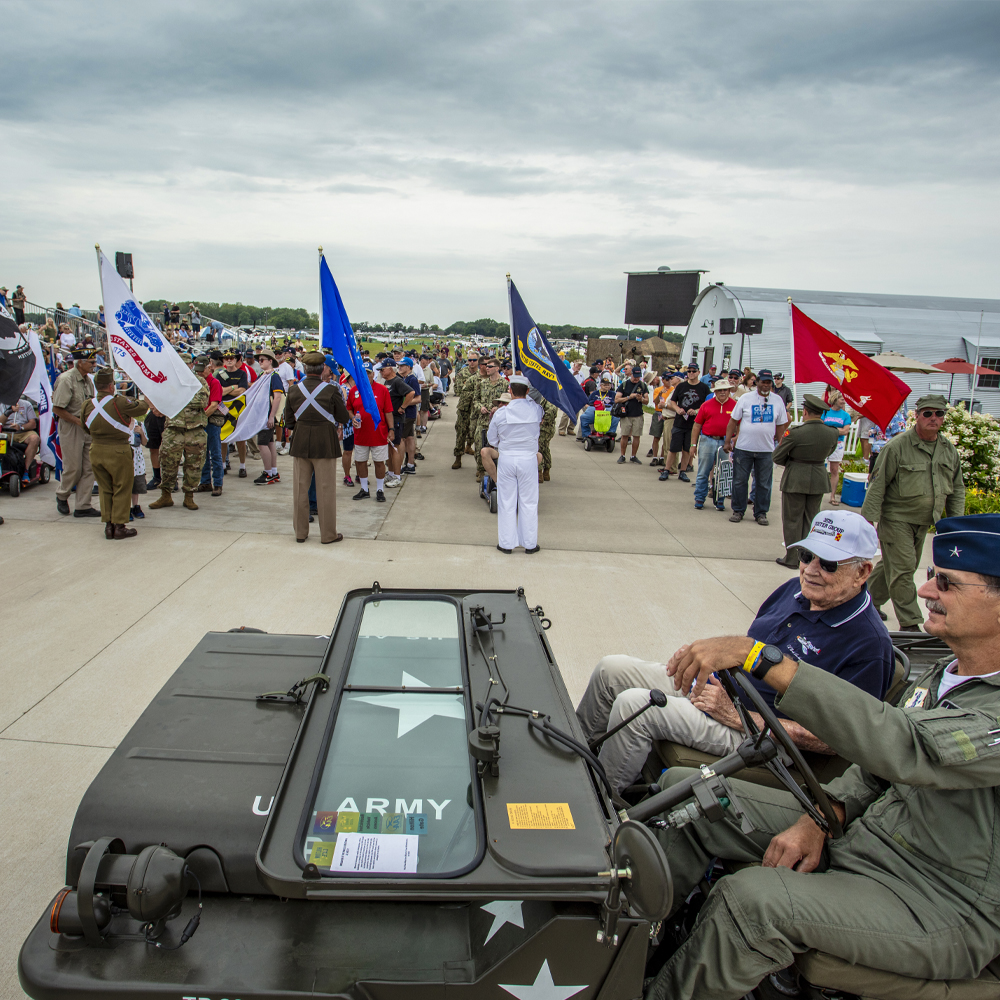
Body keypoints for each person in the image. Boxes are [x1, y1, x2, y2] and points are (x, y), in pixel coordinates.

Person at [648, 515, 1000, 1000]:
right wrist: (822, 815)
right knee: (687, 796)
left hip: (936, 899)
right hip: (869, 840)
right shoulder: (946, 674)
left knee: (750, 903)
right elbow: (874, 773)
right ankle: (624, 946)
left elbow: (905, 748)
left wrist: (761, 659)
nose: (924, 592)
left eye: (946, 582)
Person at [575, 510, 893, 793]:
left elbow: (838, 741)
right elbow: (752, 645)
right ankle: (573, 761)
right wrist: (701, 659)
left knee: (635, 706)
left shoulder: (868, 645)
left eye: (828, 563)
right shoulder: (795, 591)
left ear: (863, 572)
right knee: (610, 670)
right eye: (807, 556)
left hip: (760, 732)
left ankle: (602, 803)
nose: (811, 569)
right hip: (722, 690)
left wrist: (742, 717)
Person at [862, 394, 965, 631]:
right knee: (904, 570)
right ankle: (910, 624)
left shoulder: (948, 449)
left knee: (892, 568)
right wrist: (867, 520)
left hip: (925, 521)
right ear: (916, 416)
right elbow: (878, 484)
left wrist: (956, 524)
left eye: (939, 414)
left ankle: (864, 603)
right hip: (897, 519)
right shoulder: (897, 447)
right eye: (927, 413)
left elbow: (956, 488)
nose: (933, 418)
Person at [284, 351, 351, 543]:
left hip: (301, 442)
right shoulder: (331, 391)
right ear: (322, 369)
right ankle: (328, 534)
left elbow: (289, 421)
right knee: (326, 490)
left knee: (300, 489)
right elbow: (343, 418)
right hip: (325, 443)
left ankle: (300, 533)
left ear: (305, 369)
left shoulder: (294, 390)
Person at [772, 394, 841, 566]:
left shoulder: (796, 433)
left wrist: (793, 464)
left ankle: (792, 558)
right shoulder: (832, 433)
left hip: (795, 477)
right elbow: (829, 452)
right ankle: (807, 557)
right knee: (811, 520)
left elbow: (777, 456)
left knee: (792, 520)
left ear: (806, 412)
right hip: (818, 476)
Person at [81, 369, 149, 539]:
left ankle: (108, 525)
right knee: (121, 487)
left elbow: (84, 427)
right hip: (118, 450)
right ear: (111, 386)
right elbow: (142, 408)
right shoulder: (120, 402)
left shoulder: (87, 405)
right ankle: (119, 525)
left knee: (105, 488)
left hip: (96, 450)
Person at [724, 367, 788, 526]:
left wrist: (781, 445)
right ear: (756, 382)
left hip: (766, 450)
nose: (765, 385)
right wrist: (728, 441)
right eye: (763, 382)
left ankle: (761, 512)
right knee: (739, 481)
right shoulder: (746, 399)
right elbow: (733, 421)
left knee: (763, 483)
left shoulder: (778, 400)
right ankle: (738, 510)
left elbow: (781, 425)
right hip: (744, 448)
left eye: (768, 383)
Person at [487, 376, 543, 554]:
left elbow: (492, 439)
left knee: (507, 501)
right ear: (527, 391)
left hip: (507, 458)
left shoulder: (501, 413)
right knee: (529, 502)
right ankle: (529, 543)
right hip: (528, 459)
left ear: (509, 391)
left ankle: (506, 543)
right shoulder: (536, 410)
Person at [148, 357, 209, 511]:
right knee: (168, 463)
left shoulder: (199, 381)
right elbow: (159, 399)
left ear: (191, 365)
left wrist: (176, 398)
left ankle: (189, 496)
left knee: (194, 465)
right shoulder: (167, 381)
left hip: (194, 430)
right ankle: (166, 495)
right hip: (173, 429)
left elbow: (202, 401)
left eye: (186, 364)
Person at [51, 347, 99, 518]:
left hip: (87, 427)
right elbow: (57, 408)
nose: (95, 365)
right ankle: (62, 495)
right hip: (71, 427)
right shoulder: (66, 380)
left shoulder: (88, 380)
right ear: (81, 362)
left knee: (89, 467)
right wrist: (78, 421)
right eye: (92, 362)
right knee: (73, 467)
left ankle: (83, 505)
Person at [347, 362, 394, 503]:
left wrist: (391, 430)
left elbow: (388, 411)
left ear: (373, 374)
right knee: (360, 462)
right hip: (361, 434)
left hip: (379, 434)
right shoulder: (353, 390)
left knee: (379, 462)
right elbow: (349, 409)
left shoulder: (382, 390)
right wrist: (352, 418)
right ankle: (364, 489)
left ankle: (380, 490)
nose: (365, 376)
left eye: (368, 373)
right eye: (362, 373)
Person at [690, 379, 737, 510]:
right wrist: (693, 445)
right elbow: (697, 425)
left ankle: (720, 499)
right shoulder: (706, 405)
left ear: (729, 391)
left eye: (725, 390)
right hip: (707, 439)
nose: (722, 392)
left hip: (725, 442)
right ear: (715, 391)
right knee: (703, 471)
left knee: (724, 471)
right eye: (720, 390)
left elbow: (740, 426)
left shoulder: (735, 405)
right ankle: (699, 497)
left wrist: (734, 440)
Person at [660, 363, 709, 481]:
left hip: (693, 423)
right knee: (673, 447)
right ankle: (667, 470)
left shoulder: (704, 388)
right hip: (679, 421)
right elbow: (673, 401)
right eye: (689, 371)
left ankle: (683, 470)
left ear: (698, 372)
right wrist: (678, 410)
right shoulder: (681, 386)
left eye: (693, 371)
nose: (691, 373)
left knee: (687, 448)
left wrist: (697, 411)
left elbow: (707, 404)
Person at [215, 350, 250, 477]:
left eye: (232, 358)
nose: (229, 360)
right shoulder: (219, 374)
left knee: (240, 438)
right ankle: (223, 465)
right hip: (223, 408)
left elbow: (242, 391)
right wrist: (233, 387)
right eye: (226, 358)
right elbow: (219, 391)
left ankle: (242, 466)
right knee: (223, 438)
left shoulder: (242, 373)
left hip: (238, 408)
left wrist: (227, 390)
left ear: (236, 360)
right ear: (223, 361)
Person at [252, 348, 285, 484]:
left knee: (262, 444)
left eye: (262, 360)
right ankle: (273, 471)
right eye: (258, 360)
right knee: (270, 442)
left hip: (267, 415)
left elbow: (277, 397)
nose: (259, 362)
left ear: (270, 361)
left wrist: (271, 416)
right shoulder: (263, 375)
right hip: (263, 414)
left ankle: (268, 472)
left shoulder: (274, 376)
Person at [473, 356, 508, 482]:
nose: (486, 368)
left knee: (498, 448)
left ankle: (497, 471)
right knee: (479, 445)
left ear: (497, 368)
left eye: (490, 366)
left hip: (499, 422)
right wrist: (480, 407)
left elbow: (509, 402)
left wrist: (499, 409)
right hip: (483, 420)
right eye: (486, 366)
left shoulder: (505, 384)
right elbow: (475, 400)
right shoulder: (482, 383)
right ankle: (481, 470)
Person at [194, 357, 225, 497]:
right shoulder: (197, 383)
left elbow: (214, 405)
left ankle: (218, 483)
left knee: (215, 454)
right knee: (203, 454)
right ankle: (205, 482)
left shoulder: (214, 383)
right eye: (198, 371)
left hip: (211, 422)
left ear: (209, 367)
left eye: (202, 370)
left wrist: (200, 418)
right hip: (202, 422)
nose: (200, 373)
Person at [0, 396, 40, 487]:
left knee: (34, 438)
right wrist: (9, 411)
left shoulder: (26, 404)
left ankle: (25, 470)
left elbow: (33, 424)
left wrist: (20, 427)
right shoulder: (1, 405)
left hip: (23, 432)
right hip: (6, 432)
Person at [822, 389, 852, 505]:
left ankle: (832, 496)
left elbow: (845, 431)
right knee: (821, 467)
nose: (844, 402)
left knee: (834, 470)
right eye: (842, 399)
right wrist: (836, 430)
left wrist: (830, 430)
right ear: (835, 399)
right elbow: (821, 425)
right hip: (824, 442)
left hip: (838, 444)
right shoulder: (826, 412)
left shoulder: (845, 415)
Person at [614, 366, 648, 464]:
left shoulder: (643, 385)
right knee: (624, 435)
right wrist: (629, 397)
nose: (636, 378)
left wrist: (641, 399)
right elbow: (617, 399)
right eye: (635, 376)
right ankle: (622, 455)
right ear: (631, 374)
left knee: (636, 436)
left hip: (638, 414)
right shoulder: (624, 385)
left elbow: (647, 400)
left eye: (638, 376)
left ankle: (633, 456)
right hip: (626, 414)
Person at [451, 352, 479, 469]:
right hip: (464, 408)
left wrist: (467, 389)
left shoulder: (482, 375)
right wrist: (475, 392)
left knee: (475, 433)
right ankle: (458, 457)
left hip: (476, 409)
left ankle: (469, 446)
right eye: (470, 360)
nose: (471, 362)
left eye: (474, 360)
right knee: (461, 432)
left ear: (478, 361)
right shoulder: (462, 373)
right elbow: (458, 390)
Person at [396, 358, 422, 475]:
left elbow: (418, 398)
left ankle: (400, 466)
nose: (399, 367)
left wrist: (403, 403)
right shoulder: (406, 378)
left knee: (401, 439)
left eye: (402, 365)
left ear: (408, 367)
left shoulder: (412, 379)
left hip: (407, 414)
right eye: (399, 365)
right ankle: (410, 465)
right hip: (408, 414)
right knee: (410, 438)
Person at [867, 401, 907, 475]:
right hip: (876, 451)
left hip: (887, 454)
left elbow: (900, 437)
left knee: (880, 479)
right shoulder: (884, 414)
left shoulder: (897, 418)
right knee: (872, 478)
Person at [537, 398, 557, 483]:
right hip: (545, 428)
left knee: (539, 449)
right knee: (545, 448)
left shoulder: (549, 395)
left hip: (544, 428)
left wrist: (543, 420)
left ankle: (540, 473)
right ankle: (546, 472)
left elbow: (551, 409)